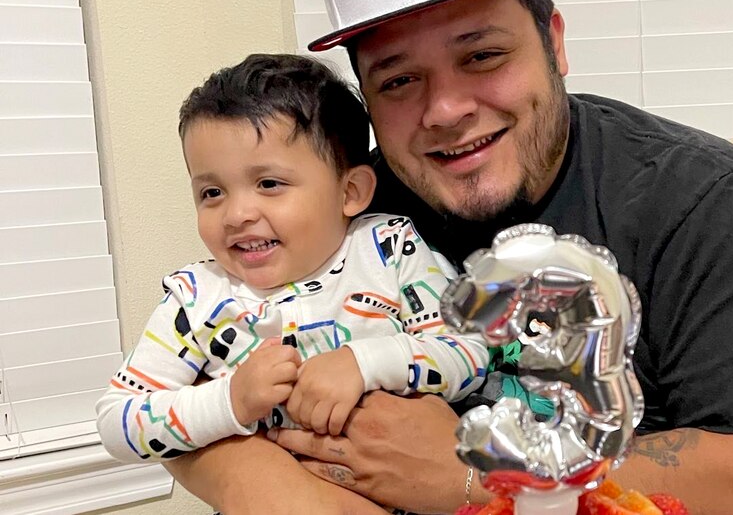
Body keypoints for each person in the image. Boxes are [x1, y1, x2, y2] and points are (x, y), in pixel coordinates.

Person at [165, 0, 733, 514]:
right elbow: (178, 404)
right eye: (399, 79)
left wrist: (478, 474)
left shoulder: (704, 201)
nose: (445, 109)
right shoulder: (338, 210)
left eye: (483, 55)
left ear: (554, 42)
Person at [96, 54, 487, 513]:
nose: (237, 214)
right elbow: (117, 422)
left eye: (269, 183)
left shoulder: (389, 249)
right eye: (212, 193)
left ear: (350, 192)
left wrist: (365, 362)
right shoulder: (197, 296)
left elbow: (469, 351)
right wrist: (230, 401)